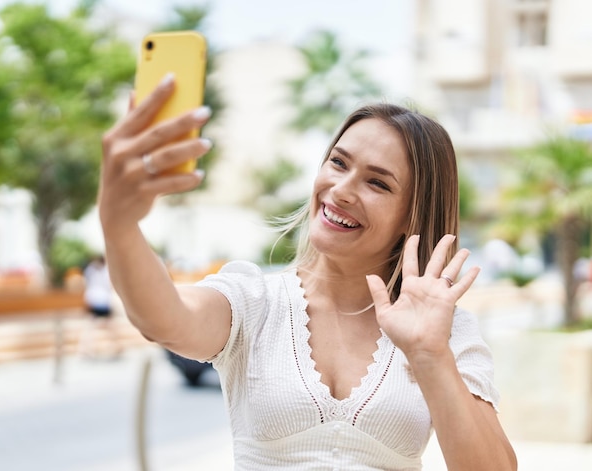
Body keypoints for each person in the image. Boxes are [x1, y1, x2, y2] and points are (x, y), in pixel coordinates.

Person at [98, 73, 517, 470]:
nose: (341, 190)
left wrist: (430, 355)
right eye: (338, 163)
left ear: (412, 214)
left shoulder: (443, 330)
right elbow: (164, 316)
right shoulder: (255, 302)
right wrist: (120, 227)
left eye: (377, 183)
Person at [78, 254, 120, 359]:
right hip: (103, 300)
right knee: (109, 326)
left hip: (94, 299)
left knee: (91, 326)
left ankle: (86, 348)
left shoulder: (91, 270)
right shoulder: (104, 271)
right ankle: (114, 347)